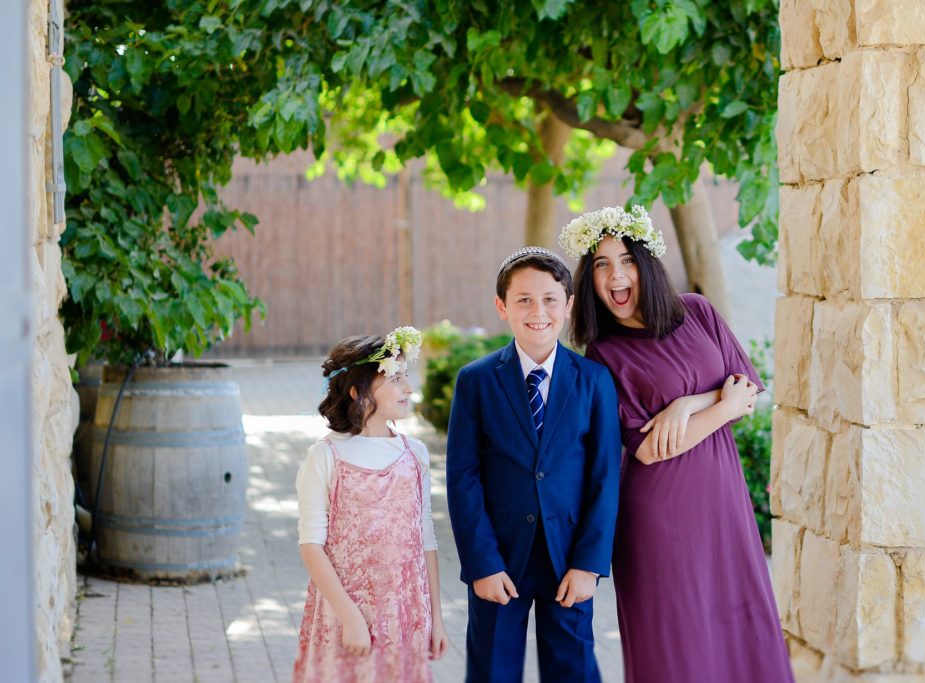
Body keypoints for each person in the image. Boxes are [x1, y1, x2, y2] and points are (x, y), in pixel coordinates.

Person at [560, 206, 794, 683]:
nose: (616, 275)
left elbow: (746, 389)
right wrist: (721, 408)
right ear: (590, 280)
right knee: (675, 644)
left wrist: (688, 403)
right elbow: (647, 449)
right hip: (660, 517)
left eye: (625, 259)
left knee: (741, 629)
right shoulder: (604, 353)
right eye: (601, 265)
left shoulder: (699, 312)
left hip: (723, 505)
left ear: (645, 264)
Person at [446, 247, 621, 683]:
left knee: (573, 667)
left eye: (549, 299)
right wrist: (482, 563)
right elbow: (462, 478)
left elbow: (604, 477)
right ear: (502, 307)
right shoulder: (476, 380)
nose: (537, 311)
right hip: (500, 557)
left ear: (569, 305)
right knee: (492, 668)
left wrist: (589, 564)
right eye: (523, 299)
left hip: (569, 557)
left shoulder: (594, 381)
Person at [293, 327, 448, 683]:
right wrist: (350, 617)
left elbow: (426, 539)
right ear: (357, 391)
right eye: (395, 378)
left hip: (404, 614)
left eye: (405, 376)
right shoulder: (326, 457)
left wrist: (436, 617)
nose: (408, 387)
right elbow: (311, 545)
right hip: (346, 615)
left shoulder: (415, 455)